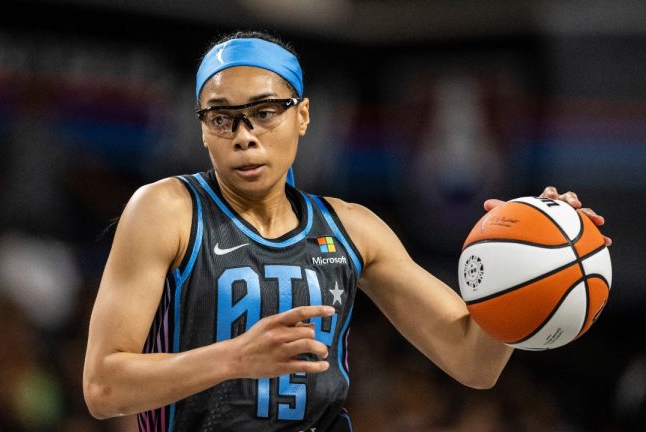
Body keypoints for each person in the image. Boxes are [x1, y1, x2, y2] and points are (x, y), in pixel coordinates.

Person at [82, 31, 611, 431]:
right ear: (202, 127)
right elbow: (103, 386)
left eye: (265, 112)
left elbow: (474, 363)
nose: (244, 136)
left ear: (304, 116)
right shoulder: (166, 209)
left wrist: (523, 265)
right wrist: (234, 358)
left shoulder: (353, 229)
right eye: (222, 117)